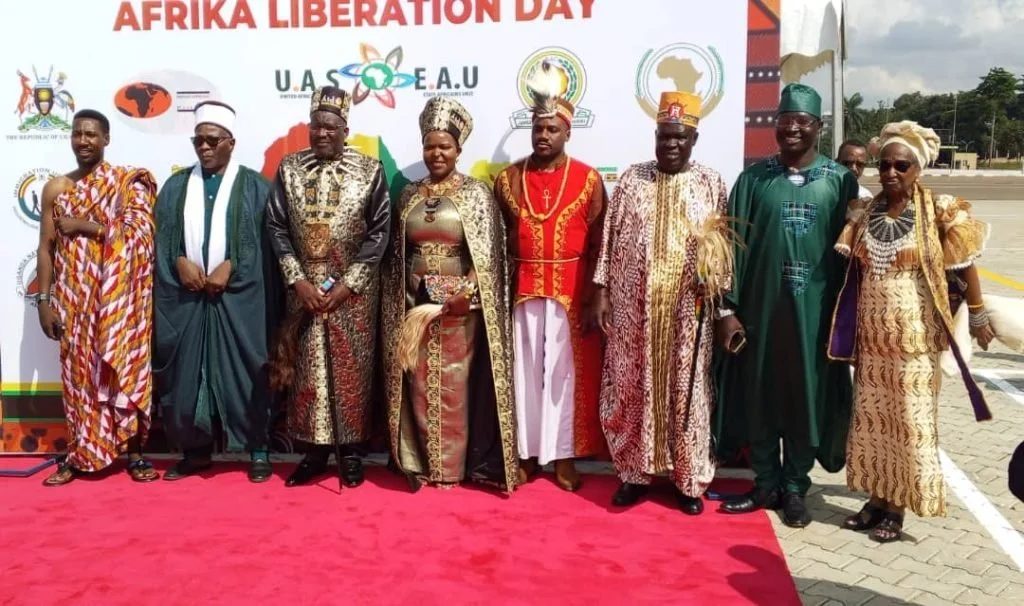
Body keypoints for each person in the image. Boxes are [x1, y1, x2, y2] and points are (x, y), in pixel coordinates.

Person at [829, 121, 993, 542]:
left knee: (907, 421)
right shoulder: (865, 212)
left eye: (901, 165)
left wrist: (977, 314)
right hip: (873, 342)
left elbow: (964, 265)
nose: (890, 173)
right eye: (884, 165)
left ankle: (897, 507)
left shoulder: (938, 210)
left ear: (918, 168)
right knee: (872, 420)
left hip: (915, 342)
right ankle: (875, 499)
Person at [714, 83, 858, 527]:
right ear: (775, 124)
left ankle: (795, 486)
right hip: (759, 314)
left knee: (805, 397)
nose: (793, 128)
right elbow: (729, 248)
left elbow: (852, 254)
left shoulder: (838, 180)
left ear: (818, 127)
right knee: (760, 395)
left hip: (814, 317)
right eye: (785, 119)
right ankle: (764, 483)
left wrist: (845, 317)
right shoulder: (753, 179)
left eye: (803, 121)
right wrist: (727, 310)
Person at [592, 92, 733, 514]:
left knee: (687, 394)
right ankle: (634, 475)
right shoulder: (633, 179)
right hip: (633, 309)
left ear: (694, 138)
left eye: (680, 137)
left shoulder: (711, 181)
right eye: (664, 137)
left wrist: (719, 295)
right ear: (655, 136)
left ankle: (687, 480)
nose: (671, 145)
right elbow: (610, 240)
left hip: (688, 312)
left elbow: (723, 248)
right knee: (631, 386)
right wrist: (600, 291)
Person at [381, 96, 517, 492]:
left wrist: (467, 294)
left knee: (455, 387)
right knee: (419, 385)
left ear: (459, 149)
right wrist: (408, 295)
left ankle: (453, 468)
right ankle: (420, 462)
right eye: (429, 145)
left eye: (445, 146)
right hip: (414, 307)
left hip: (459, 309)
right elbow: (396, 254)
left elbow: (489, 256)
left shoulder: (476, 194)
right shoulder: (408, 194)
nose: (436, 153)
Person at [265, 86, 391, 488]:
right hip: (302, 288)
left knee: (350, 370)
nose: (322, 134)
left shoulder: (369, 170)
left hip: (352, 295)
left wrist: (349, 283)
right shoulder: (289, 169)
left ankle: (350, 452)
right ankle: (314, 453)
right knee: (307, 371)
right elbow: (277, 227)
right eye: (316, 126)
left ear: (345, 130)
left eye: (330, 127)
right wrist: (296, 279)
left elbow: (379, 233)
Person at [493, 62, 607, 492]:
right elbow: (499, 240)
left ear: (567, 133)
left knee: (563, 374)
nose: (543, 136)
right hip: (522, 288)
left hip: (570, 287)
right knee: (524, 372)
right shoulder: (507, 179)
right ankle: (524, 454)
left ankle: (561, 455)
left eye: (552, 130)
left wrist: (598, 294)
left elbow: (600, 240)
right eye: (538, 129)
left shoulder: (589, 179)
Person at [153, 101, 281, 483]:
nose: (204, 148)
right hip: (188, 300)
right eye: (198, 141)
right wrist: (178, 261)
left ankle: (258, 448)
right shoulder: (176, 187)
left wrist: (234, 265)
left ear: (231, 142)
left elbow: (268, 244)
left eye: (212, 141)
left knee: (249, 368)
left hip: (240, 301)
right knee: (186, 375)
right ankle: (195, 452)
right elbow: (161, 241)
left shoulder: (257, 187)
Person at [35, 109, 160, 486]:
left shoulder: (125, 183)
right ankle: (80, 454)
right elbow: (45, 248)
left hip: (120, 302)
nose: (83, 141)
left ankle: (135, 454)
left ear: (106, 139)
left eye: (91, 134)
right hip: (74, 299)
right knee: (78, 379)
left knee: (125, 368)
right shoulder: (57, 189)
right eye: (77, 134)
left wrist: (85, 226)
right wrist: (44, 301)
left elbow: (140, 235)